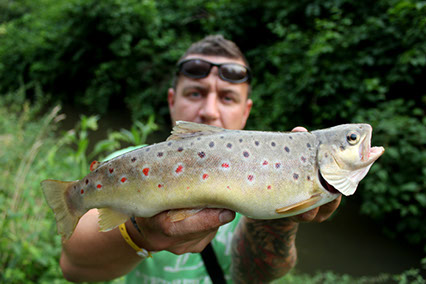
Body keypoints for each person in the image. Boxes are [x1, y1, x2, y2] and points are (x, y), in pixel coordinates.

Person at [60, 35, 342, 283]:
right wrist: (139, 233)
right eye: (196, 93)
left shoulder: (267, 174)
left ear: (246, 111)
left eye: (227, 98)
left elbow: (255, 277)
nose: (209, 110)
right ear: (172, 100)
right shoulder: (127, 164)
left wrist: (283, 209)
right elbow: (73, 267)